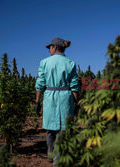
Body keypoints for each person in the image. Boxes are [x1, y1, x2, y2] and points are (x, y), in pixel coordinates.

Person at [35, 37, 79, 166]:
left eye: (49, 47)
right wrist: (75, 103)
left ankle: (51, 154)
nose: (49, 50)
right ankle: (57, 159)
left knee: (50, 129)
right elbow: (74, 86)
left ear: (54, 47)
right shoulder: (70, 63)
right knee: (61, 130)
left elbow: (40, 83)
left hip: (49, 97)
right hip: (65, 97)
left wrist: (37, 101)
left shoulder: (44, 62)